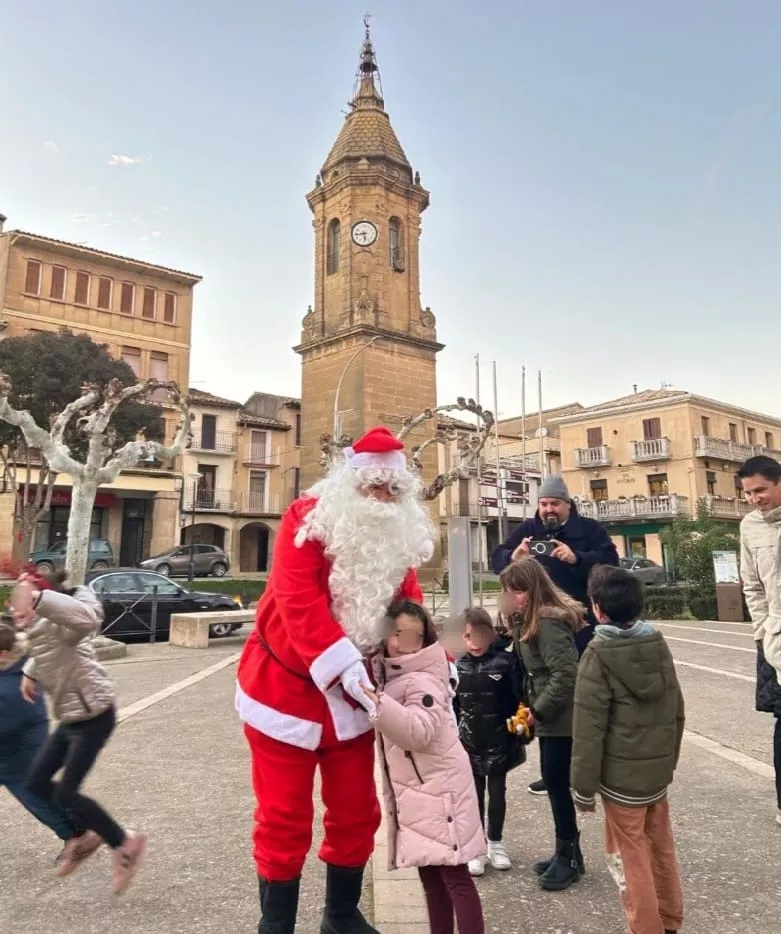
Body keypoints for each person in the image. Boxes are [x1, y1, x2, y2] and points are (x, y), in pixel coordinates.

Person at [235, 426, 435, 933]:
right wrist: (342, 664)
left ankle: (341, 915)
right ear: (352, 484)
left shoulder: (397, 533)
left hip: (355, 699)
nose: (383, 498)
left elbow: (406, 607)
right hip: (286, 692)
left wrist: (423, 658)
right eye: (374, 487)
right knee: (283, 817)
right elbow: (294, 598)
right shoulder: (307, 520)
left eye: (393, 489)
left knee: (357, 812)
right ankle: (276, 923)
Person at [10, 570, 146, 894]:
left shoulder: (64, 626)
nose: (13, 608)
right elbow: (43, 648)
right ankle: (83, 837)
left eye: (20, 601)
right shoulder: (39, 630)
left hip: (94, 715)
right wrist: (30, 672)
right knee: (36, 783)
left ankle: (124, 843)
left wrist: (41, 597)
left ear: (40, 600)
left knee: (66, 792)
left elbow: (86, 620)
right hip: (71, 718)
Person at [571, 565, 685, 934]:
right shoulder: (658, 642)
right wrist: (669, 761)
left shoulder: (597, 653)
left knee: (630, 855)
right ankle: (669, 920)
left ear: (597, 608)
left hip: (620, 780)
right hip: (656, 774)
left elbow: (589, 729)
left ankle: (644, 927)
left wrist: (583, 789)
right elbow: (676, 708)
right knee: (662, 849)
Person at [492, 473, 619, 796]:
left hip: (579, 626)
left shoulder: (589, 530)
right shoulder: (528, 531)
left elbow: (611, 562)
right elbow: (498, 560)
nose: (549, 510)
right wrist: (513, 558)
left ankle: (587, 768)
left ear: (568, 505)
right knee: (540, 696)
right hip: (537, 628)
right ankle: (552, 771)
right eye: (544, 504)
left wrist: (578, 558)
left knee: (583, 697)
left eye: (555, 504)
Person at [366, 600, 485, 934]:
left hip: (441, 790)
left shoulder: (422, 678)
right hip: (422, 791)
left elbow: (418, 732)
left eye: (413, 636)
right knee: (431, 878)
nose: (403, 642)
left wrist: (377, 702)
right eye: (398, 633)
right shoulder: (395, 675)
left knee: (455, 877)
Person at [498, 557, 585, 891]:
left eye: (514, 591)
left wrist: (539, 711)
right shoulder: (528, 620)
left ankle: (570, 857)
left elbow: (565, 674)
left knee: (557, 784)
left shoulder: (547, 623)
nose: (509, 597)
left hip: (561, 718)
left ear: (530, 590)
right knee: (554, 782)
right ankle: (567, 851)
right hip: (549, 716)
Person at [454, 607, 524, 877]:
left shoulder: (505, 664)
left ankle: (495, 842)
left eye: (480, 635)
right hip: (468, 741)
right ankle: (476, 847)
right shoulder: (457, 666)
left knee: (497, 792)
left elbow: (517, 701)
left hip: (498, 739)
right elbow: (453, 706)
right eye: (469, 636)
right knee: (472, 796)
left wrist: (518, 736)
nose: (475, 643)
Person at [0, 620, 78, 856]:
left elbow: (8, 721)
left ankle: (77, 833)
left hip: (18, 749)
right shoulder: (16, 666)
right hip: (17, 741)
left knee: (35, 796)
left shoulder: (11, 686)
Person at [737, 454, 781, 827]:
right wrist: (763, 628)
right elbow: (751, 584)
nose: (755, 498)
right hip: (775, 638)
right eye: (749, 493)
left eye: (761, 490)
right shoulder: (750, 526)